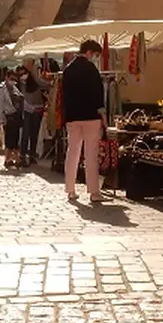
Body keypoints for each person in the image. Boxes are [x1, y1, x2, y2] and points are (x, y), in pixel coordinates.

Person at [61, 39, 106, 203]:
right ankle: (94, 192)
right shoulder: (91, 69)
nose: (95, 58)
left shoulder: (68, 70)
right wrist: (103, 115)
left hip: (72, 117)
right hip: (90, 116)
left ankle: (70, 189)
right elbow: (97, 94)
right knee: (91, 155)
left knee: (72, 152)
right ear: (89, 52)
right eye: (95, 55)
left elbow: (64, 95)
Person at [20, 57, 49, 167]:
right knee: (26, 133)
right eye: (31, 64)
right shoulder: (23, 75)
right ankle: (23, 155)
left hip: (38, 108)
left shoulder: (34, 75)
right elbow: (38, 82)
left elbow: (41, 83)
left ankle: (31, 155)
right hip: (27, 109)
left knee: (34, 133)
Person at [0, 69, 24, 168]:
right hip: (8, 117)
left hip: (16, 116)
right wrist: (0, 120)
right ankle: (10, 159)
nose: (13, 81)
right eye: (11, 79)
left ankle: (11, 159)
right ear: (6, 77)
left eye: (15, 79)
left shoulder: (15, 88)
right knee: (10, 139)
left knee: (15, 139)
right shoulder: (0, 89)